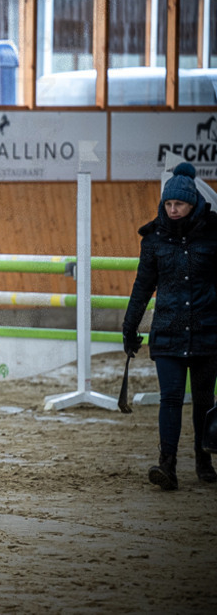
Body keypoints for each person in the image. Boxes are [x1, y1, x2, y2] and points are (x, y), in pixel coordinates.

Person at [123, 161, 217, 490]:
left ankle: (204, 461)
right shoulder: (153, 240)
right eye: (168, 204)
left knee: (205, 400)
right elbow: (142, 286)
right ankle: (168, 465)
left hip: (207, 330)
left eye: (179, 204)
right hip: (168, 331)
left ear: (193, 204)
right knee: (171, 398)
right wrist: (129, 326)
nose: (173, 209)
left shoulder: (213, 234)